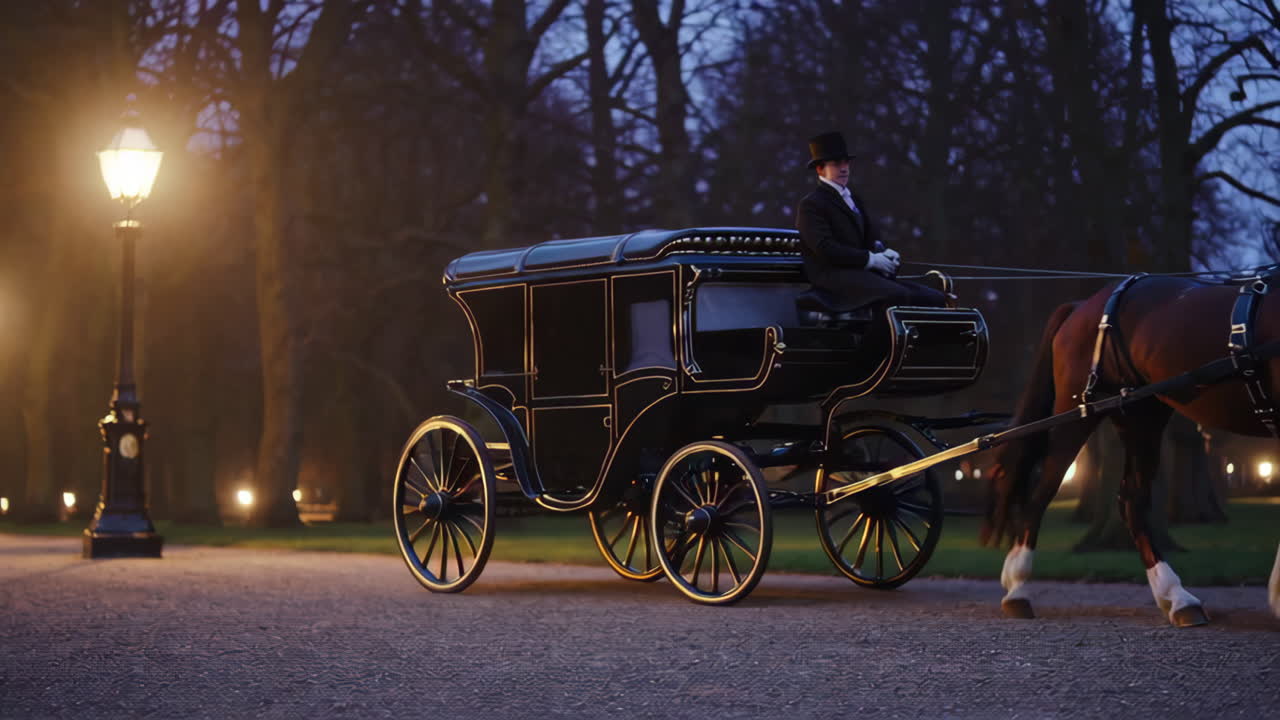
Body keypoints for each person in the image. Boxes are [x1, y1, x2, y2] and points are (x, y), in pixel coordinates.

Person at [795, 131, 946, 311]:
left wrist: (884, 253)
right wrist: (871, 260)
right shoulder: (811, 204)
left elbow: (870, 238)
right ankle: (883, 340)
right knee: (896, 296)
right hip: (834, 278)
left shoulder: (854, 199)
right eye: (836, 164)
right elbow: (826, 249)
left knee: (933, 297)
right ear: (820, 169)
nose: (844, 168)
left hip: (862, 274)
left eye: (846, 162)